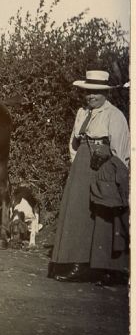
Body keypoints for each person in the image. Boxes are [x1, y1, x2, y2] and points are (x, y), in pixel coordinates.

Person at [49, 69, 130, 284]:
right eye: (88, 92)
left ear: (105, 94)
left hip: (104, 166)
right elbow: (74, 142)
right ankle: (77, 262)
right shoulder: (82, 112)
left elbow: (121, 150)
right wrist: (75, 163)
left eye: (96, 92)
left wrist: (112, 172)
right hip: (82, 164)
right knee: (77, 212)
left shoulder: (114, 115)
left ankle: (105, 267)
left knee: (102, 214)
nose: (91, 96)